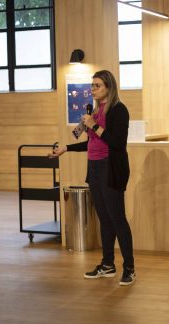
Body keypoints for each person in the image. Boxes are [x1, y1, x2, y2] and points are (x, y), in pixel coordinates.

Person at [49, 70, 136, 286]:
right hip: (95, 169)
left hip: (111, 169)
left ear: (109, 87)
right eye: (92, 85)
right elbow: (92, 143)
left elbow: (116, 142)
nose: (92, 89)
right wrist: (66, 148)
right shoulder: (95, 110)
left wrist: (93, 125)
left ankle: (129, 268)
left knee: (118, 219)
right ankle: (107, 265)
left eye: (97, 85)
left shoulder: (119, 110)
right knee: (104, 219)